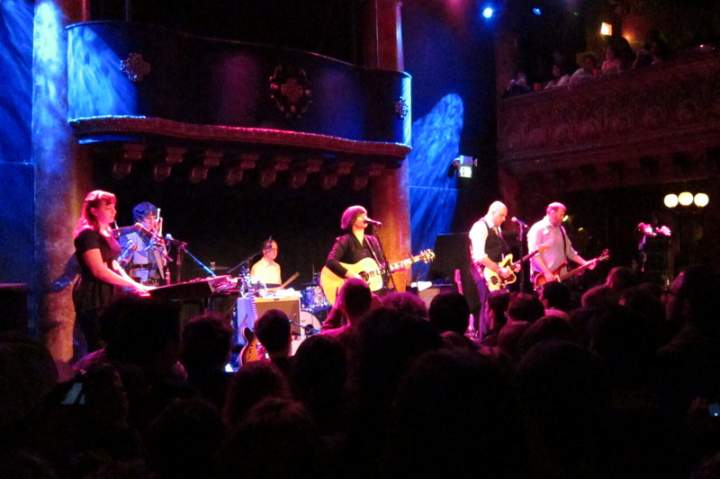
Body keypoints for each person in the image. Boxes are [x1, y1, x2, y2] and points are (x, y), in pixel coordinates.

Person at [72, 190, 152, 354]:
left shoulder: (106, 234)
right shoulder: (88, 235)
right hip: (94, 296)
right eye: (108, 208)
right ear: (93, 211)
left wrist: (136, 286)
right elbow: (98, 270)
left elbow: (114, 264)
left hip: (108, 294)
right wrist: (131, 284)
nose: (114, 211)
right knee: (99, 346)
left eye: (114, 208)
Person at [468, 201, 517, 338]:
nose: (504, 219)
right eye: (502, 215)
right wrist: (499, 270)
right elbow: (479, 256)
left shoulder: (497, 228)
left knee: (498, 307)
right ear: (492, 212)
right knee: (487, 305)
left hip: (495, 272)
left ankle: (497, 336)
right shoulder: (480, 227)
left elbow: (498, 254)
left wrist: (510, 267)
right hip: (483, 273)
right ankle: (484, 338)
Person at [527, 202, 594, 288]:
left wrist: (585, 263)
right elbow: (534, 255)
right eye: (561, 215)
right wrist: (546, 272)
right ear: (552, 212)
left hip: (562, 277)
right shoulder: (537, 229)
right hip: (545, 279)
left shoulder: (561, 229)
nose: (562, 218)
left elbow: (570, 252)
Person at [117, 201, 169, 286]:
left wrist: (161, 249)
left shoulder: (156, 238)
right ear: (138, 219)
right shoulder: (127, 236)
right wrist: (128, 252)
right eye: (148, 218)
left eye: (154, 217)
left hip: (155, 283)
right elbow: (119, 264)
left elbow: (163, 263)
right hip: (135, 283)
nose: (152, 221)